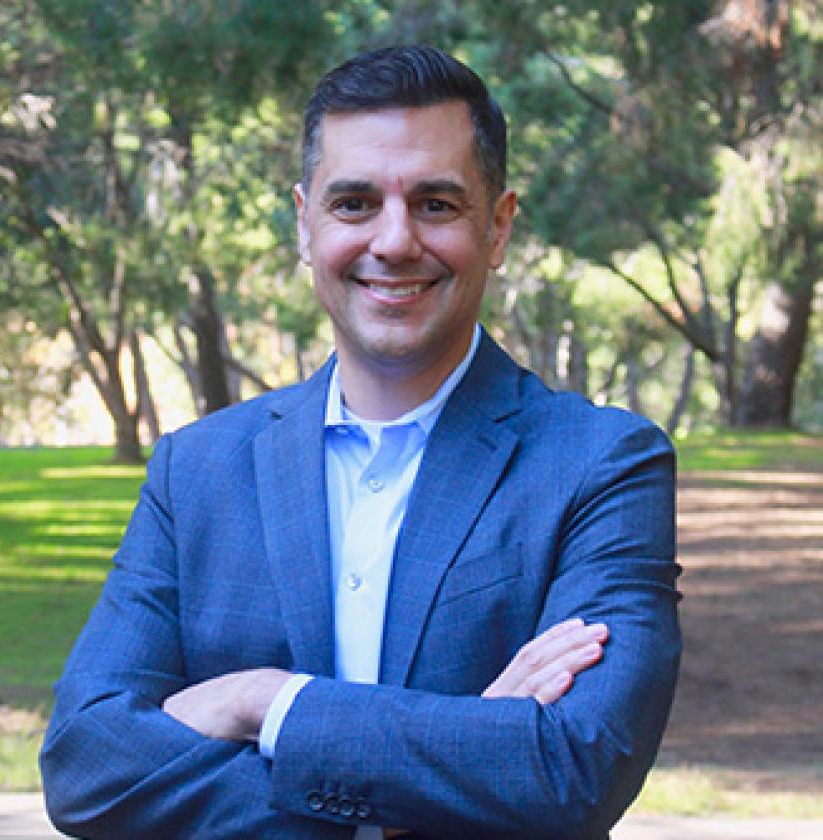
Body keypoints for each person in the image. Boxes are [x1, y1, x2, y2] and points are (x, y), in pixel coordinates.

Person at [40, 45, 680, 839]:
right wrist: (448, 771)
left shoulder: (600, 465)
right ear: (306, 223)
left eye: (438, 204)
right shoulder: (197, 469)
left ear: (500, 226)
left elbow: (568, 772)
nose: (394, 240)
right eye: (354, 204)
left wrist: (261, 701)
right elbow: (84, 767)